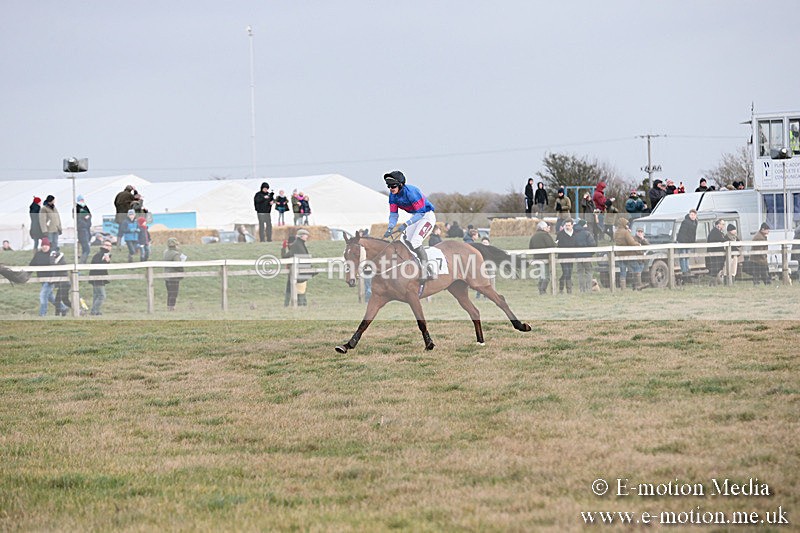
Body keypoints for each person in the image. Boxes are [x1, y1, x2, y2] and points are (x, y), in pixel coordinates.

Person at [382, 171, 436, 281]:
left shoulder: (412, 192)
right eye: (388, 186)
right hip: (415, 217)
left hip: (426, 216)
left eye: (393, 186)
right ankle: (414, 267)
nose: (391, 189)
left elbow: (420, 213)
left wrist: (406, 224)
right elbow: (393, 214)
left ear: (401, 185)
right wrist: (390, 227)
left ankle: (427, 272)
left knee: (415, 242)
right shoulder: (392, 196)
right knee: (404, 241)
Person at [284, 229, 313, 306]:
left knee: (300, 288)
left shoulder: (299, 244)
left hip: (301, 270)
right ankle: (300, 305)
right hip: (300, 271)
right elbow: (287, 256)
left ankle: (298, 304)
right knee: (300, 289)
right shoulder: (297, 245)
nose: (307, 237)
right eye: (305, 235)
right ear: (301, 236)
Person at [29, 238, 58, 316]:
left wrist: (54, 278)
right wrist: (27, 274)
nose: (44, 247)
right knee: (50, 297)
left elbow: (57, 266)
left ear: (49, 246)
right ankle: (62, 307)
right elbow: (32, 265)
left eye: (46, 245)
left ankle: (42, 314)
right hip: (42, 279)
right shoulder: (38, 254)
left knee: (43, 295)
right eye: (43, 245)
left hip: (50, 280)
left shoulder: (53, 254)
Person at [613, 217, 643, 290]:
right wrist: (638, 244)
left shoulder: (616, 232)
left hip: (619, 254)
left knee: (623, 271)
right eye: (626, 224)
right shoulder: (626, 232)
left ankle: (623, 288)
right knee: (637, 268)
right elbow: (631, 242)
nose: (627, 225)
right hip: (628, 254)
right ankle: (638, 285)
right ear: (623, 224)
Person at [529, 220, 556, 295]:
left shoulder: (534, 236)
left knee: (541, 275)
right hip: (544, 259)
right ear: (543, 228)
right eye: (547, 227)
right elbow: (551, 246)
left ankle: (540, 289)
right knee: (546, 276)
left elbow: (530, 247)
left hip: (536, 258)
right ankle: (542, 290)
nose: (549, 229)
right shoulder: (545, 235)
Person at [89, 240, 113, 315]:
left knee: (96, 295)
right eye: (106, 245)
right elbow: (98, 265)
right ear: (103, 245)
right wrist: (106, 261)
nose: (108, 247)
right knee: (102, 295)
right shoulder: (102, 254)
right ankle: (94, 311)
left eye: (109, 245)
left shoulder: (103, 254)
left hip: (98, 277)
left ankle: (95, 311)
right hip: (98, 277)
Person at [573, 219, 596, 293]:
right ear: (583, 225)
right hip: (587, 255)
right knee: (588, 272)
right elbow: (592, 244)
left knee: (580, 273)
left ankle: (581, 289)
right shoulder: (587, 233)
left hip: (577, 255)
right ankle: (589, 289)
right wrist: (591, 254)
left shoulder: (574, 233)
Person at [676, 209, 698, 282]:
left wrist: (692, 242)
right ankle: (684, 270)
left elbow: (693, 234)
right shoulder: (685, 222)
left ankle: (687, 269)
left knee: (687, 256)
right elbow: (683, 233)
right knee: (683, 256)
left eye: (694, 215)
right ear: (689, 215)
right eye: (691, 214)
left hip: (689, 242)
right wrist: (684, 242)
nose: (692, 216)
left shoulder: (695, 222)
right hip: (683, 242)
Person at [163, 238, 185, 310]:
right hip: (174, 276)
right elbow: (178, 265)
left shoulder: (165, 252)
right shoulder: (175, 254)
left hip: (166, 275)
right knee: (174, 292)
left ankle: (168, 306)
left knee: (169, 292)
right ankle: (172, 307)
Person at [556, 218, 576, 293]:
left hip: (571, 256)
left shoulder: (575, 233)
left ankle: (568, 289)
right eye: (566, 225)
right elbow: (556, 243)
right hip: (562, 256)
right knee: (566, 271)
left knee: (569, 272)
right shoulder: (560, 234)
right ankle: (564, 288)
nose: (567, 227)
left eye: (569, 225)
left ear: (572, 225)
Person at [705, 219, 728, 285]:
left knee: (717, 269)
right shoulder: (715, 232)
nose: (723, 226)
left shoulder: (719, 232)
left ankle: (716, 282)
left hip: (717, 255)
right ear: (718, 224)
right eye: (722, 224)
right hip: (715, 255)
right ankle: (713, 283)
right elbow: (719, 240)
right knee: (715, 269)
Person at [76, 195, 92, 263]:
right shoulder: (77, 208)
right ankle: (82, 262)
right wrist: (85, 220)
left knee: (85, 248)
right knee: (87, 249)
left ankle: (83, 262)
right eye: (81, 200)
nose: (82, 201)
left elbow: (89, 215)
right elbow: (79, 218)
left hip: (87, 229)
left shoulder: (85, 207)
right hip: (82, 229)